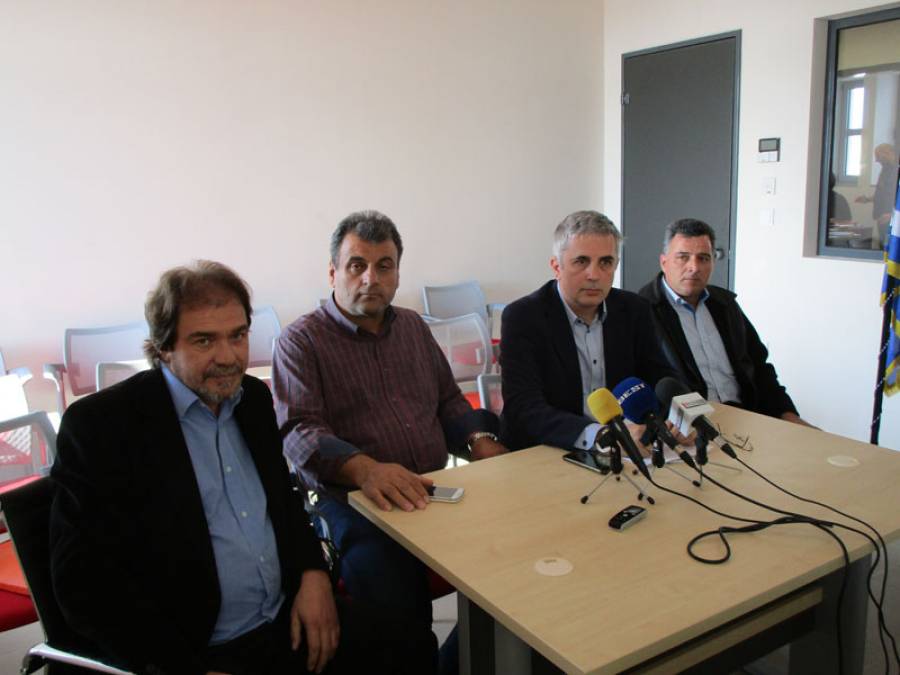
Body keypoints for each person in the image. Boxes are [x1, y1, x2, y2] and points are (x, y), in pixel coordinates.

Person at [50, 260, 431, 675]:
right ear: (163, 347)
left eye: (238, 336)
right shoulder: (102, 427)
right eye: (204, 341)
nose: (228, 357)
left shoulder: (252, 400)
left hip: (287, 622)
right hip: (194, 649)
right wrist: (182, 669)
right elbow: (83, 586)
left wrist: (313, 574)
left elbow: (284, 503)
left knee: (411, 646)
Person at [273, 210, 506, 673]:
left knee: (511, 569)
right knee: (400, 621)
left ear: (398, 272)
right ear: (333, 272)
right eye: (357, 265)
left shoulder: (413, 328)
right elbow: (299, 432)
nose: (371, 278)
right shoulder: (301, 342)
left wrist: (479, 439)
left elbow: (448, 400)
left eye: (384, 266)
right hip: (355, 505)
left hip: (433, 489)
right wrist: (365, 469)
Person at [500, 210, 675, 452]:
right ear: (556, 267)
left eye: (605, 262)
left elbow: (661, 378)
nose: (594, 275)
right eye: (581, 261)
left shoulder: (634, 309)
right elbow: (523, 406)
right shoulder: (523, 317)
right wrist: (603, 436)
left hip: (629, 447)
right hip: (550, 449)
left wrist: (680, 420)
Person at [638, 218, 812, 426]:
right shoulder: (642, 310)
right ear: (664, 262)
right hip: (692, 427)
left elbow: (759, 367)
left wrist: (788, 414)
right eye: (683, 257)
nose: (694, 267)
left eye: (703, 258)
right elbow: (648, 383)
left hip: (747, 417)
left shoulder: (725, 304)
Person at [856, 144, 899, 248]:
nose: (876, 160)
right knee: (883, 246)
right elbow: (882, 194)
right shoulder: (885, 170)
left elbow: (895, 196)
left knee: (890, 249)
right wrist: (867, 199)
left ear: (886, 155)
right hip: (881, 217)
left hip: (891, 219)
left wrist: (891, 214)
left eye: (878, 157)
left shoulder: (895, 171)